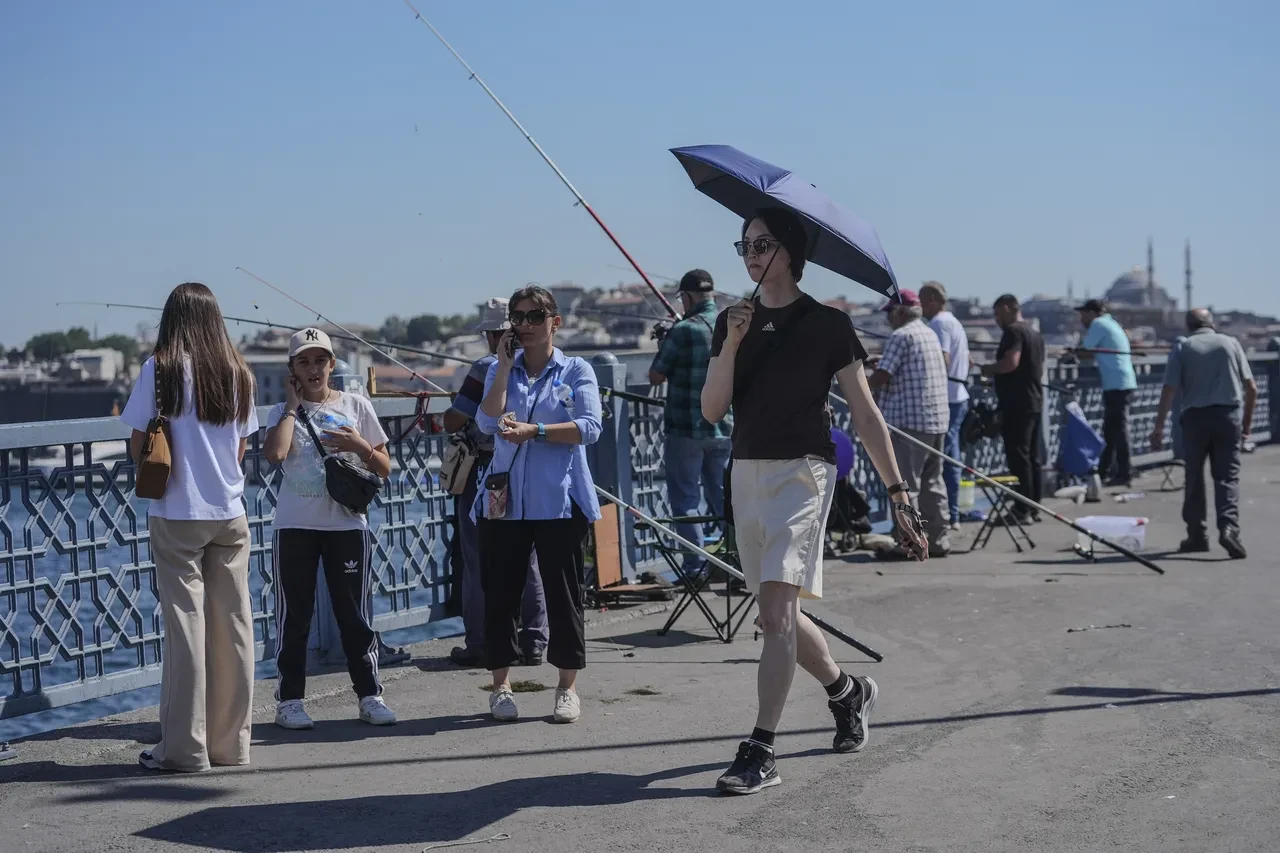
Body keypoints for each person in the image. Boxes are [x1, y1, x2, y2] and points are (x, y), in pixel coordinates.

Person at [702, 207, 927, 795]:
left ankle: (760, 750)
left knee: (774, 615)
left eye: (763, 243)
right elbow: (711, 410)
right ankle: (847, 693)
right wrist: (729, 344)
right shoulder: (732, 320)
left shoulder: (828, 326)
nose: (751, 253)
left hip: (803, 474)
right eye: (744, 244)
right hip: (746, 471)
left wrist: (898, 493)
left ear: (791, 253)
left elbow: (865, 412)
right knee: (778, 613)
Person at [120, 282, 259, 772]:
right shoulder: (238, 371)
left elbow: (140, 445)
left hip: (178, 514)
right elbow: (240, 449)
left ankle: (184, 750)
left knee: (187, 633)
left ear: (172, 319)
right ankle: (232, 745)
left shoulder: (159, 369)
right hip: (230, 512)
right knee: (235, 628)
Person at [475, 285, 603, 724]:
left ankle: (566, 688)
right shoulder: (499, 368)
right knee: (501, 595)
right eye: (518, 317)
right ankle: (500, 686)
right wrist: (505, 367)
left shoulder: (576, 370)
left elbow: (589, 427)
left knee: (563, 595)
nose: (525, 325)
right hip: (503, 502)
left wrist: (538, 432)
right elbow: (486, 420)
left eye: (535, 316)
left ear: (555, 321)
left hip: (559, 501)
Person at [263, 327, 397, 729]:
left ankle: (370, 694)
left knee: (353, 614)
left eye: (320, 360)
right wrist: (290, 405)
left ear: (332, 364)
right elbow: (275, 454)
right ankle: (289, 700)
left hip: (346, 525)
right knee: (295, 616)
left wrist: (359, 445)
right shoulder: (280, 413)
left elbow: (385, 468)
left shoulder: (356, 405)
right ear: (292, 369)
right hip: (295, 525)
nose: (313, 368)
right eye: (303, 361)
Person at [443, 298, 549, 668]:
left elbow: (455, 420)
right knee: (530, 558)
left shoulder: (486, 366)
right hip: (529, 470)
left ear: (492, 334)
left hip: (489, 476)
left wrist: (445, 413)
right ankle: (534, 640)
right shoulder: (540, 365)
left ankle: (482, 643)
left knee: (479, 558)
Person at [1150, 309, 1256, 558]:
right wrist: (1247, 427)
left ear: (1188, 326)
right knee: (1227, 477)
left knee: (1194, 477)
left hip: (1195, 420)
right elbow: (1251, 388)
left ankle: (1197, 535)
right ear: (1212, 324)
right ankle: (1229, 528)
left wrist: (1158, 428)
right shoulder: (1231, 343)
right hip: (1228, 418)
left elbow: (1169, 389)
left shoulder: (1183, 347)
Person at [648, 269, 732, 579]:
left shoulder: (684, 330)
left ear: (689, 297)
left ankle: (695, 567)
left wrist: (667, 338)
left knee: (685, 499)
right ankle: (734, 561)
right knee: (724, 496)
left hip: (687, 428)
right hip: (724, 427)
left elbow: (656, 375)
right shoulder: (729, 327)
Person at [869, 289, 951, 558]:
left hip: (908, 423)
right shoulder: (929, 333)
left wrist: (862, 382)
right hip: (936, 420)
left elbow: (882, 377)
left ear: (901, 312)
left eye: (890, 312)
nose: (888, 319)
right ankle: (939, 541)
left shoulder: (900, 336)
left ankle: (909, 545)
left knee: (905, 487)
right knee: (933, 484)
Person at [979, 294, 1045, 523]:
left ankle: (1021, 508)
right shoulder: (1035, 334)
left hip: (1017, 403)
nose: (997, 320)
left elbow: (1011, 363)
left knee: (1018, 457)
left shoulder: (1014, 332)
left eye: (998, 314)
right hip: (1035, 400)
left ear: (1008, 308)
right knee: (1033, 457)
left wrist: (988, 369)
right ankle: (1035, 505)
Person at [919, 281, 971, 529]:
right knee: (952, 456)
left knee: (944, 458)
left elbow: (942, 360)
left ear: (932, 299)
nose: (919, 306)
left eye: (922, 300)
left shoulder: (939, 323)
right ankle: (954, 512)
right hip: (959, 395)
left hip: (947, 399)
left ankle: (949, 515)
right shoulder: (954, 322)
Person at [1075, 299, 1137, 486]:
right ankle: (1104, 471)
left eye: (1083, 314)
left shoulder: (1099, 324)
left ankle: (1125, 472)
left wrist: (1073, 354)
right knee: (1110, 430)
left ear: (1092, 313)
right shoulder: (1111, 323)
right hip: (1121, 380)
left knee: (1118, 429)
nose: (1081, 318)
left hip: (1116, 383)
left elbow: (1086, 351)